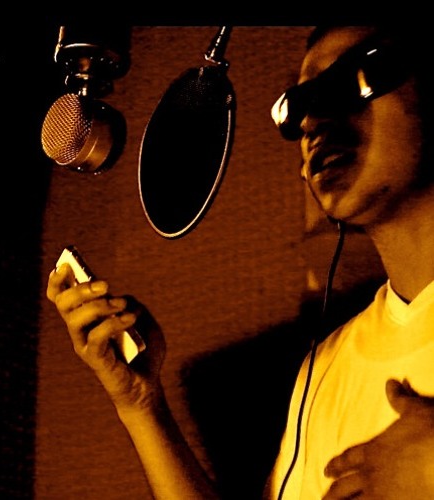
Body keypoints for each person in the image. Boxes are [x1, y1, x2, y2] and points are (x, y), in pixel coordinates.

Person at [46, 25, 434, 499]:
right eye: (297, 106)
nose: (314, 121)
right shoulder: (327, 368)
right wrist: (140, 403)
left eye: (355, 76)